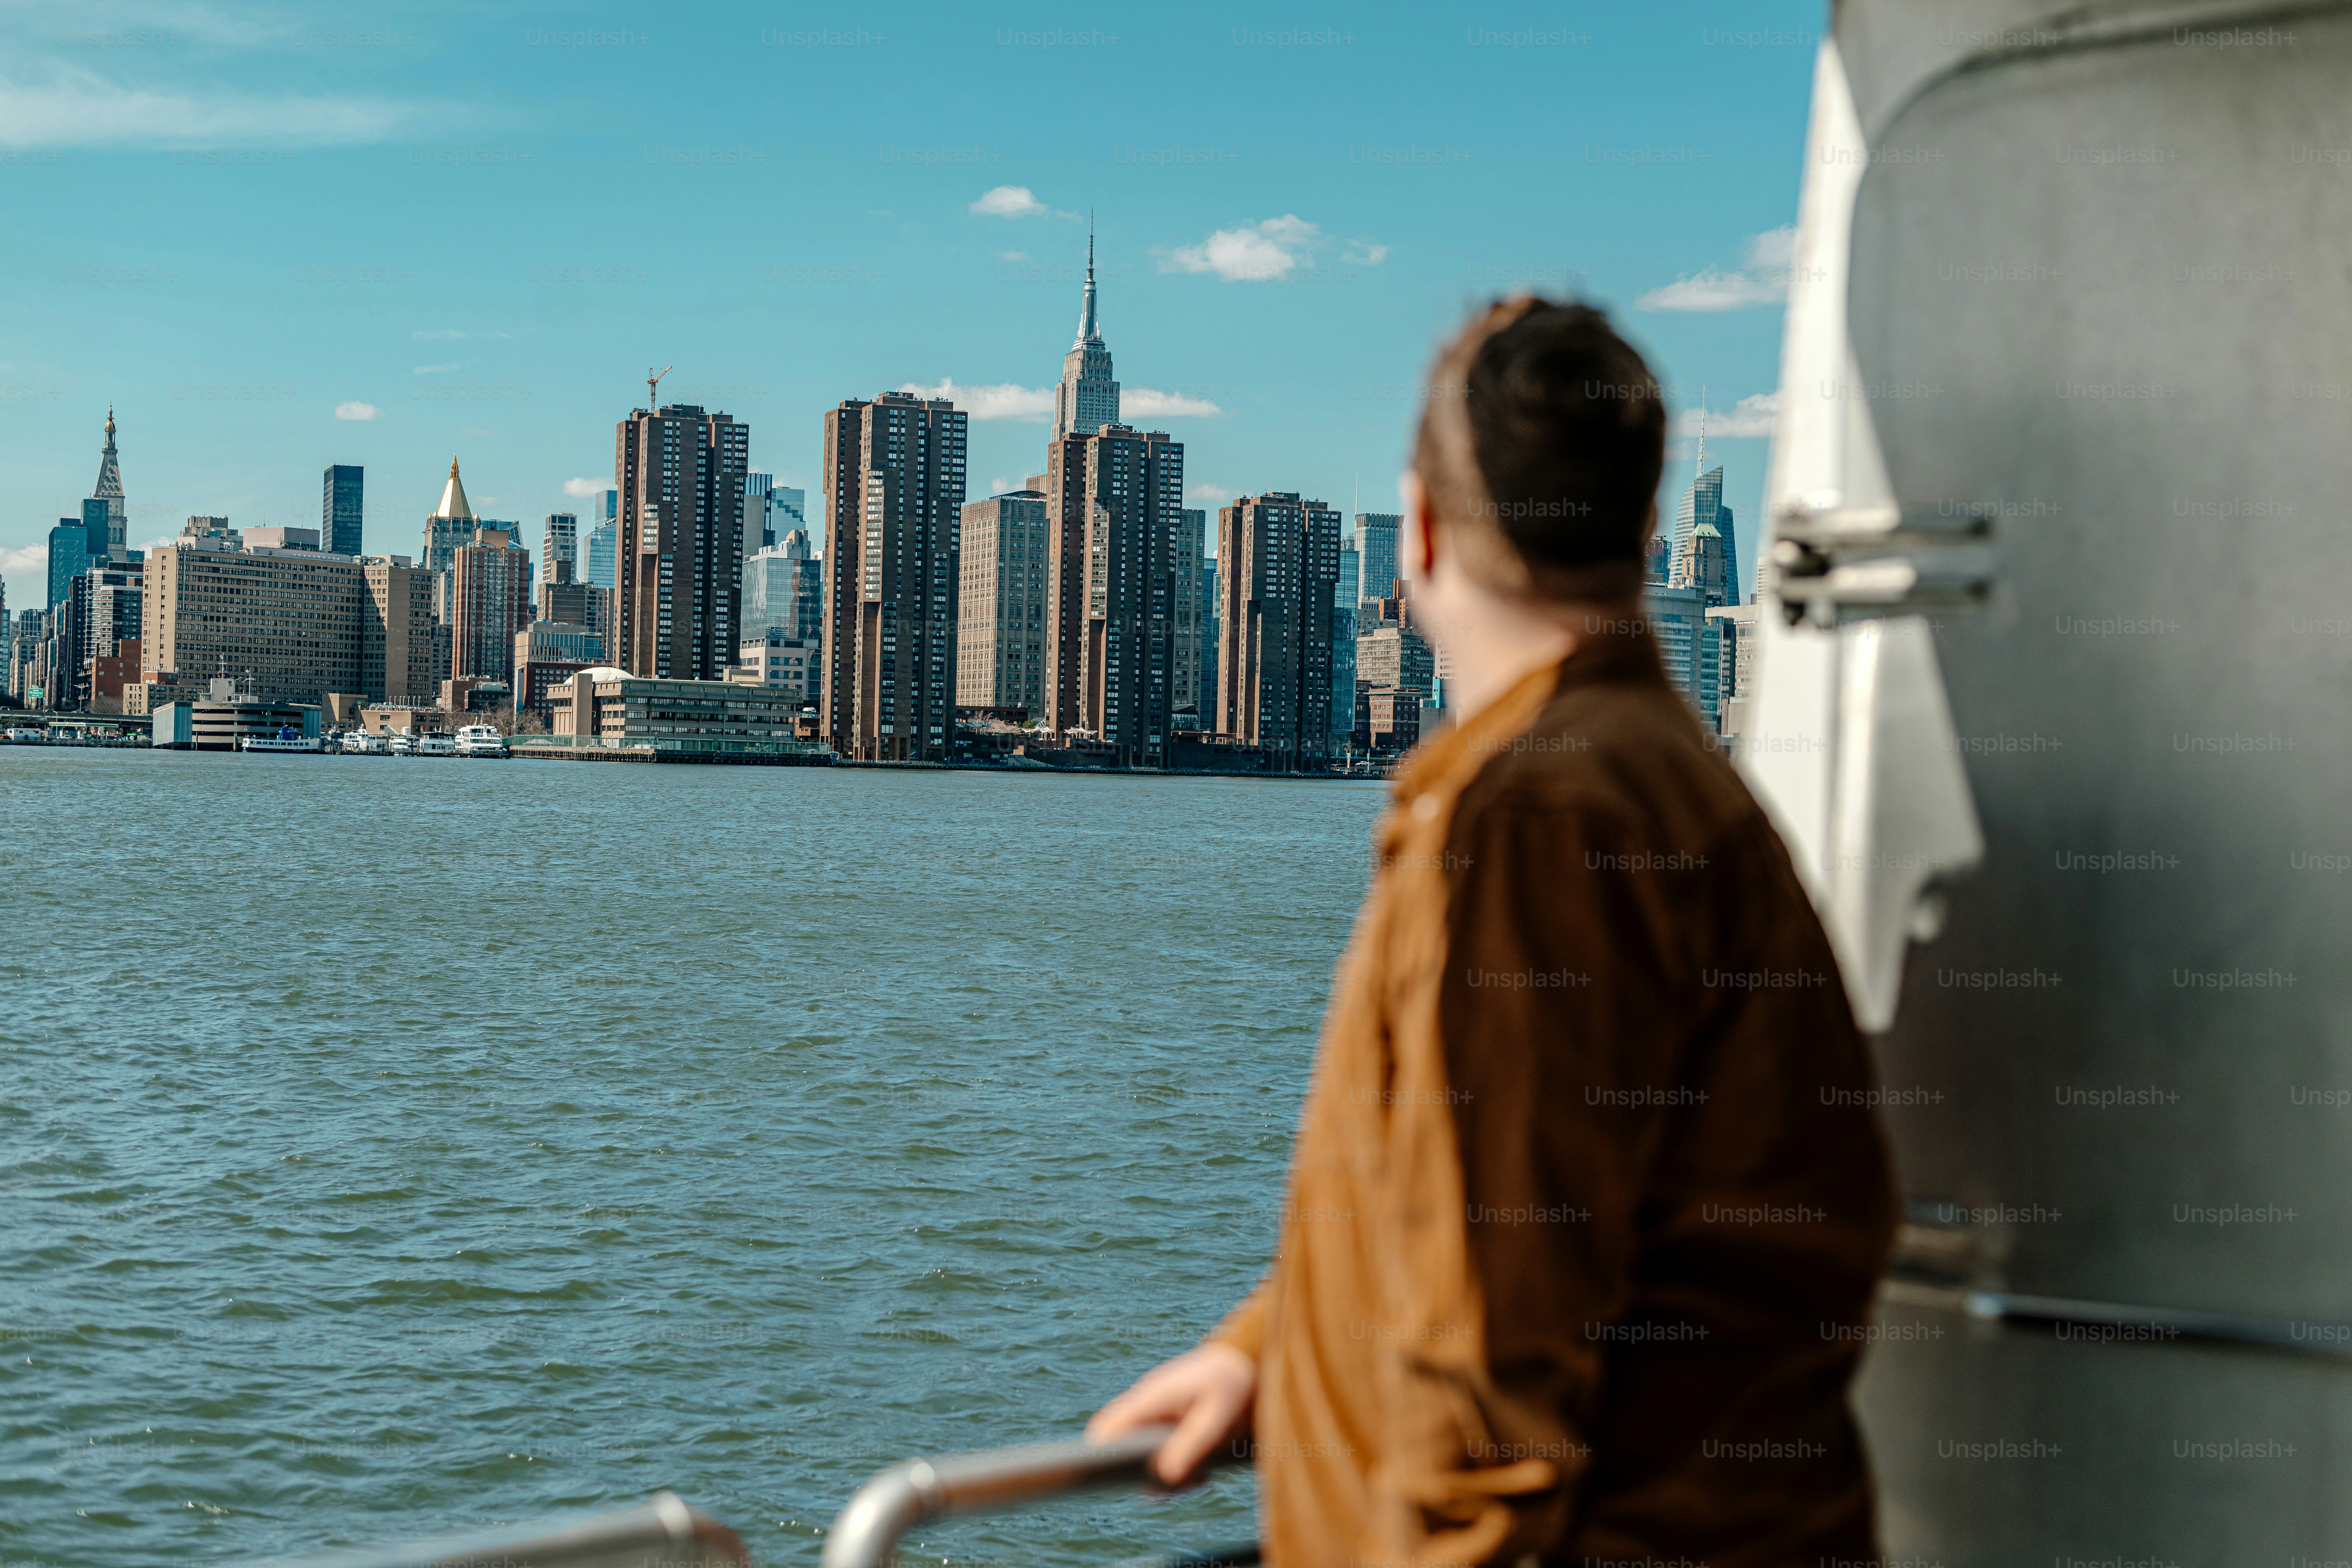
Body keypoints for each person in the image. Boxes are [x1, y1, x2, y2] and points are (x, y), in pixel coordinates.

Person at [1089, 298, 1898, 1567]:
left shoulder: (1541, 816)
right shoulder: (1652, 776)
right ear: (1640, 531)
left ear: (1417, 527)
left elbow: (1499, 1367)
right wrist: (1269, 1349)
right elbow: (1480, 1206)